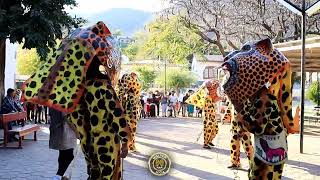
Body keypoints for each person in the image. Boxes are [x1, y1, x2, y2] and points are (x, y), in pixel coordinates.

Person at [49, 108, 77, 180]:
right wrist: (76, 131)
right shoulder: (63, 102)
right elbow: (67, 118)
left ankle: (60, 176)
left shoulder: (53, 101)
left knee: (62, 154)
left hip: (57, 129)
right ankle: (58, 176)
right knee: (69, 155)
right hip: (64, 131)